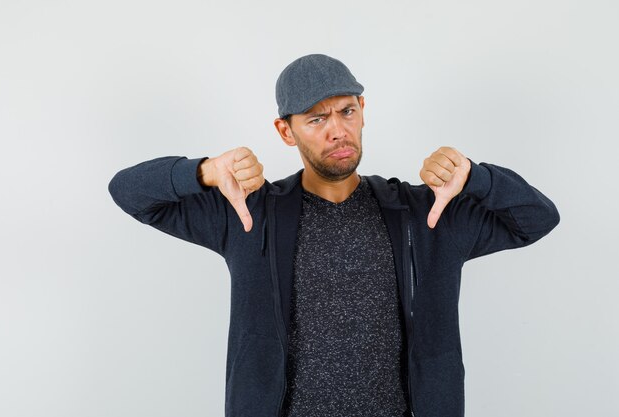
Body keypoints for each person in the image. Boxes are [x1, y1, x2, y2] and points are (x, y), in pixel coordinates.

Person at [108, 54, 559, 417]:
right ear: (286, 131)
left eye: (346, 111)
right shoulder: (248, 213)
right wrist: (202, 171)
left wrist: (476, 178)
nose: (337, 130)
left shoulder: (426, 213)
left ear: (363, 112)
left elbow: (537, 218)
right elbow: (128, 192)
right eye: (316, 119)